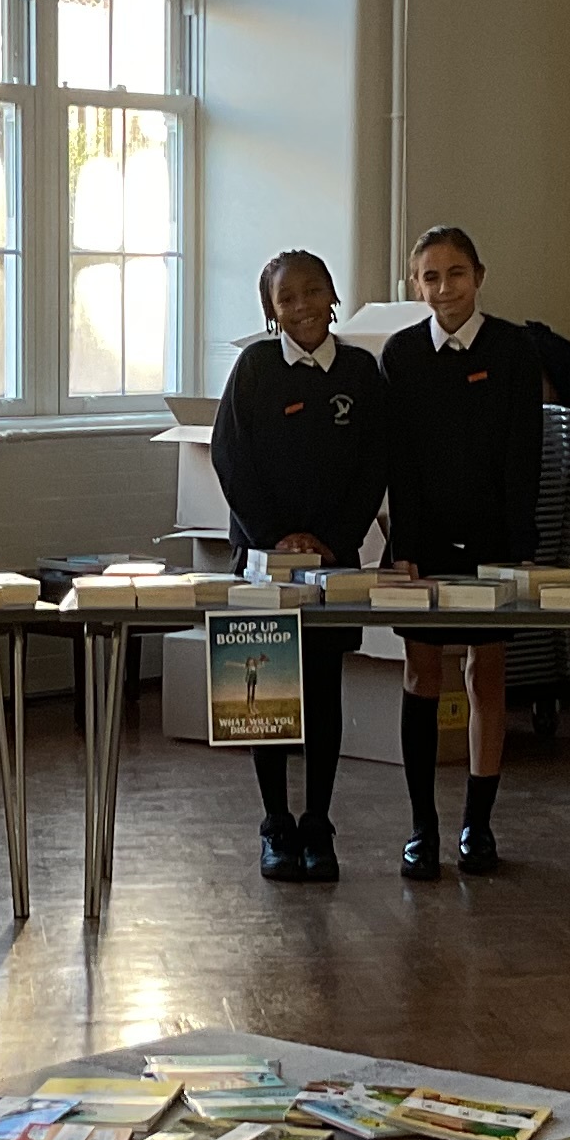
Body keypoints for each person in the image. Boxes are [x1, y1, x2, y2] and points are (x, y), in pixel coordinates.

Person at [204, 247, 388, 884]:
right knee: (264, 692)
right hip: (263, 561)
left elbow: (374, 462)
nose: (303, 305)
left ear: (332, 296)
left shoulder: (360, 371)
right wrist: (276, 539)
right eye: (287, 298)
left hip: (335, 561)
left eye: (313, 291)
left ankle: (317, 823)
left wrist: (331, 540)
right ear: (271, 311)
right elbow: (230, 457)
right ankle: (276, 824)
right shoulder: (255, 368)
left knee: (324, 690)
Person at [375, 223, 544, 877]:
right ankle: (423, 827)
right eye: (431, 277)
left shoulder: (514, 349)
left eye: (456, 274)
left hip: (495, 544)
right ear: (415, 285)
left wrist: (519, 548)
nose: (445, 287)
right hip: (422, 545)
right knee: (422, 673)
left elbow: (523, 455)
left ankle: (478, 824)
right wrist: (403, 547)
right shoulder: (400, 354)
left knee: (486, 674)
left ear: (479, 276)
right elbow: (398, 463)